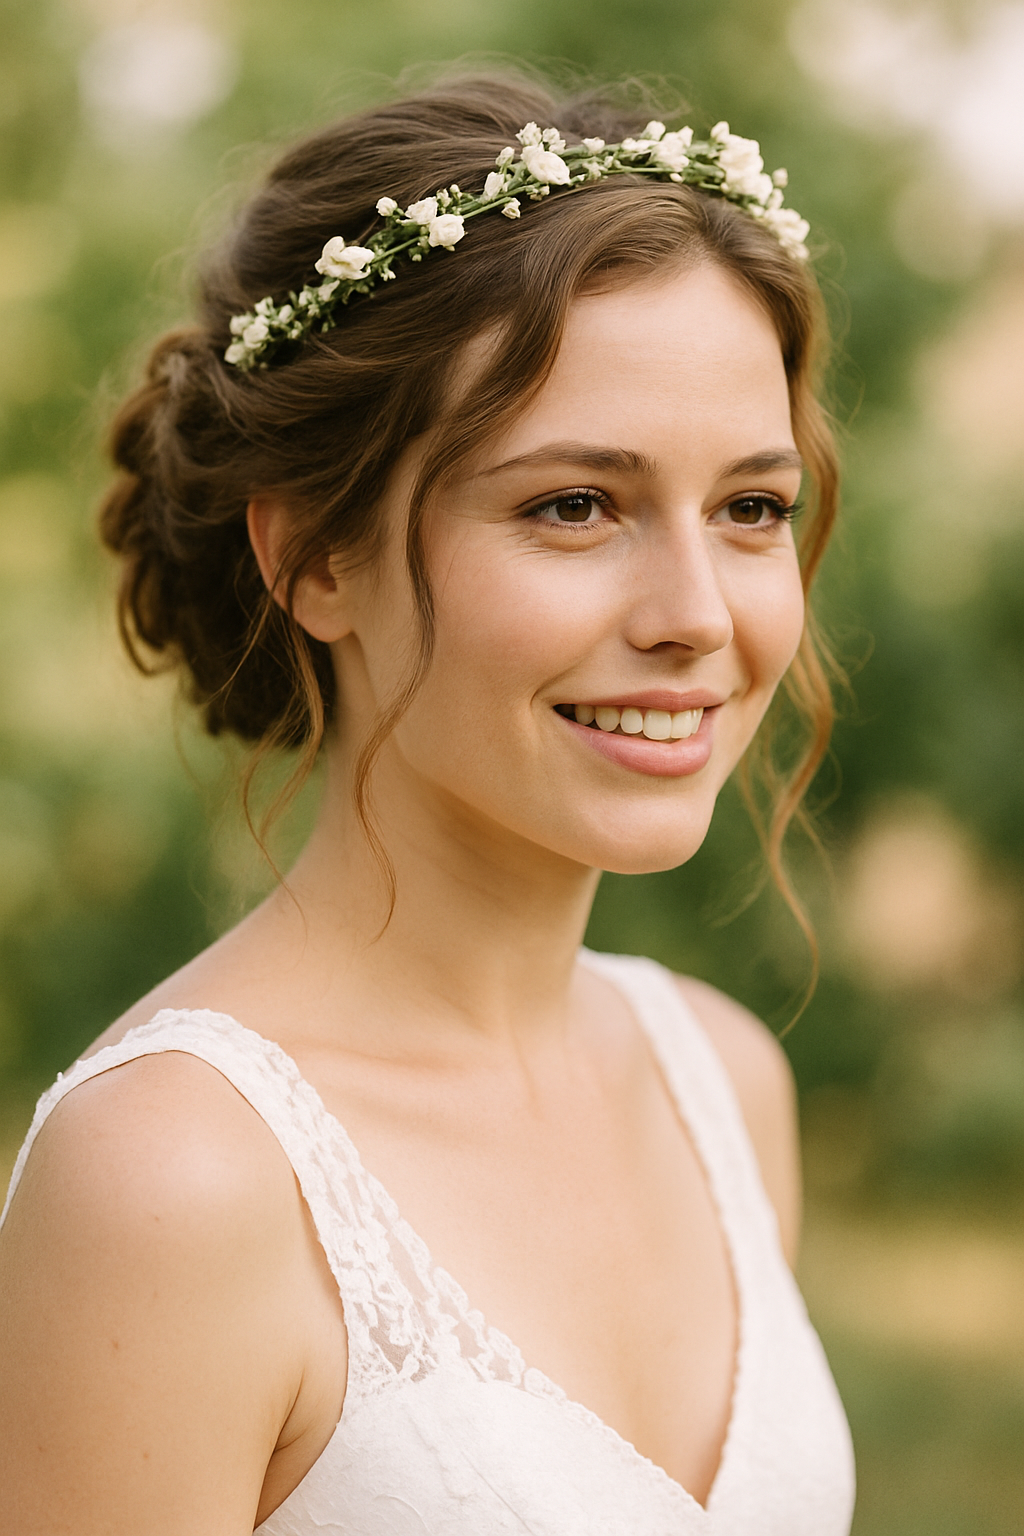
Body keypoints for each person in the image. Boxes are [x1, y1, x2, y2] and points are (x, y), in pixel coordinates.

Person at [0, 70, 855, 1535]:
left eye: (750, 508)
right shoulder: (171, 1182)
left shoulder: (721, 1086)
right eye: (573, 506)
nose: (698, 616)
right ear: (315, 558)